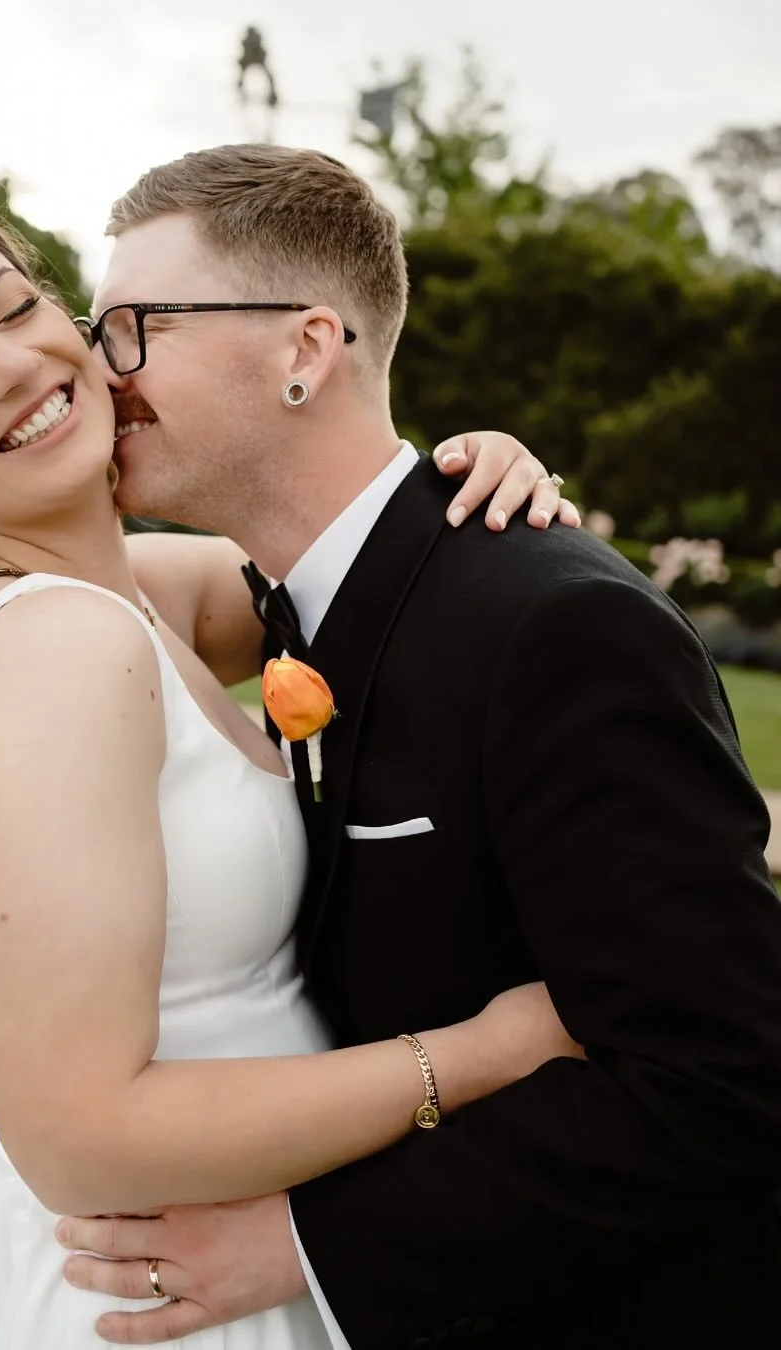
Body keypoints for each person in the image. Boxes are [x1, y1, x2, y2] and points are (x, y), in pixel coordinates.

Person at [0, 197, 582, 1350]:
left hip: (259, 1242)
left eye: (12, 307)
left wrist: (469, 469)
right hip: (161, 1291)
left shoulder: (142, 594)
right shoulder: (58, 652)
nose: (8, 366)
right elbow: (80, 1133)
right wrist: (482, 1054)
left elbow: (342, 544)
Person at [55, 145, 781, 1350]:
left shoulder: (560, 627)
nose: (98, 368)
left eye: (136, 327)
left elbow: (721, 1077)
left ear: (304, 349)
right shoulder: (299, 596)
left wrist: (302, 1241)